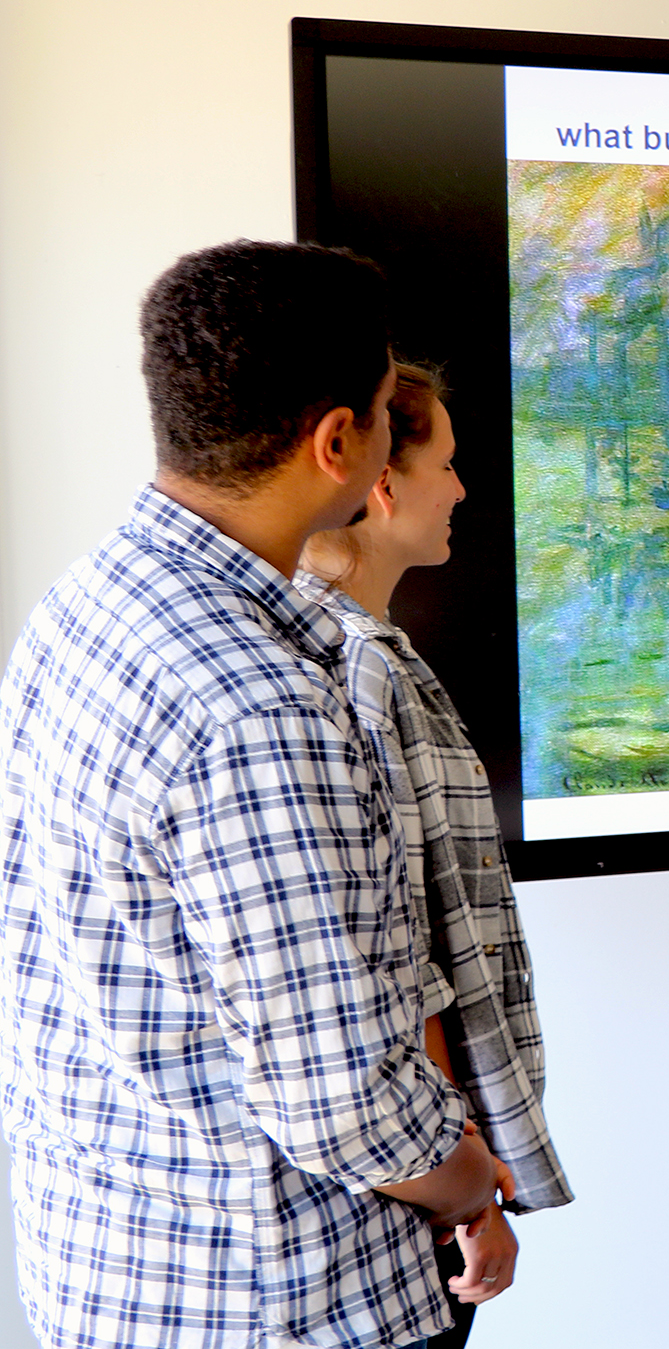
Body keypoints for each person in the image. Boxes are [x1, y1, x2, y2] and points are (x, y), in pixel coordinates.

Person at [0, 241, 501, 1348]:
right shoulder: (259, 709)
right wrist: (469, 1179)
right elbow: (342, 1101)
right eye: (386, 411)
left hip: (112, 1263)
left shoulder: (82, 603)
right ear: (338, 443)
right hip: (280, 1301)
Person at [297, 362, 576, 1348]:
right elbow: (405, 955)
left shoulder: (356, 648)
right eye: (447, 465)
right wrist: (467, 1191)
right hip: (402, 1209)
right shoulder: (364, 671)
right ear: (381, 481)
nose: (461, 488)